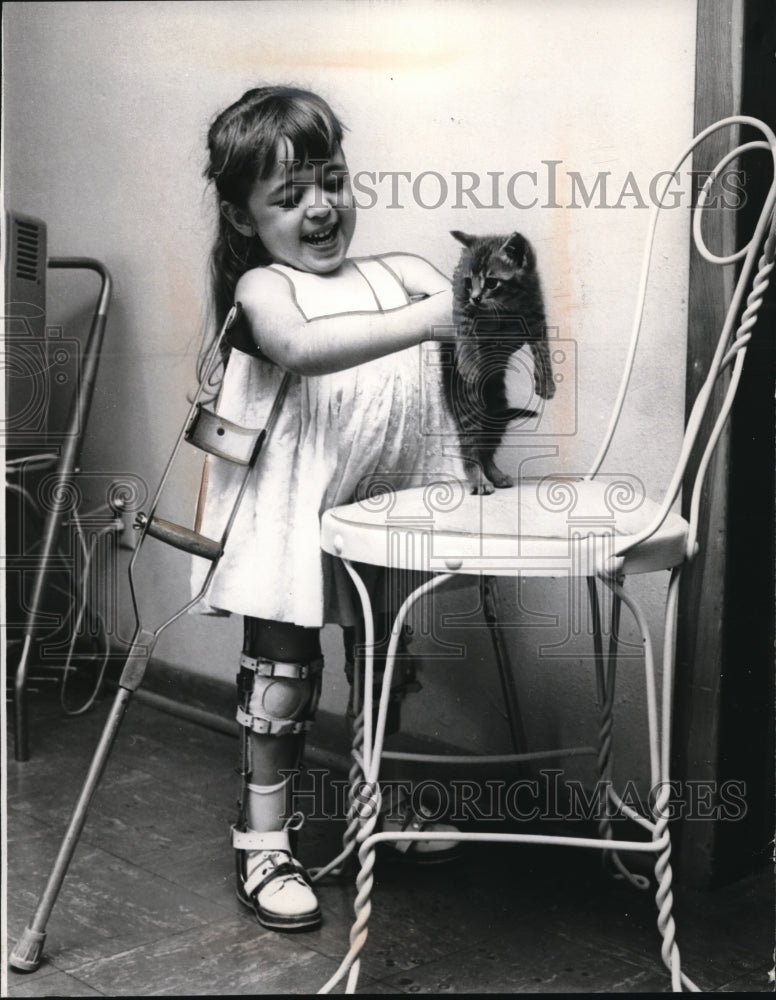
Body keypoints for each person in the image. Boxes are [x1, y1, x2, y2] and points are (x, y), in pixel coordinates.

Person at [192, 85, 465, 932]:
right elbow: (305, 351)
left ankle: (369, 805)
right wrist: (432, 322)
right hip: (288, 514)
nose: (322, 207)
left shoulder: (404, 275)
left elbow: (464, 351)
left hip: (382, 504)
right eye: (289, 195)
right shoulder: (264, 291)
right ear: (243, 218)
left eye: (334, 181)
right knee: (281, 680)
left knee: (384, 664)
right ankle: (263, 840)